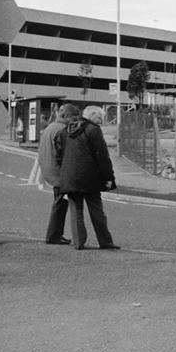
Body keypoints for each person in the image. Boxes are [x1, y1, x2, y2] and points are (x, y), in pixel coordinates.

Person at [58, 106, 119, 250]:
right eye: (100, 118)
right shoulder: (93, 130)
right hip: (90, 177)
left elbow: (59, 154)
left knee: (75, 210)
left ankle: (78, 242)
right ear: (95, 117)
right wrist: (109, 177)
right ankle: (105, 241)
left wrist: (65, 172)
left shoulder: (65, 130)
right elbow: (102, 156)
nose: (101, 121)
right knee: (96, 210)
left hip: (70, 177)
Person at [41, 103, 81, 244]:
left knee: (60, 203)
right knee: (60, 204)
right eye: (73, 118)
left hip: (50, 171)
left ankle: (56, 235)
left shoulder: (50, 127)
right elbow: (62, 154)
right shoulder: (62, 130)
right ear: (66, 116)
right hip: (60, 174)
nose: (75, 121)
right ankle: (53, 236)